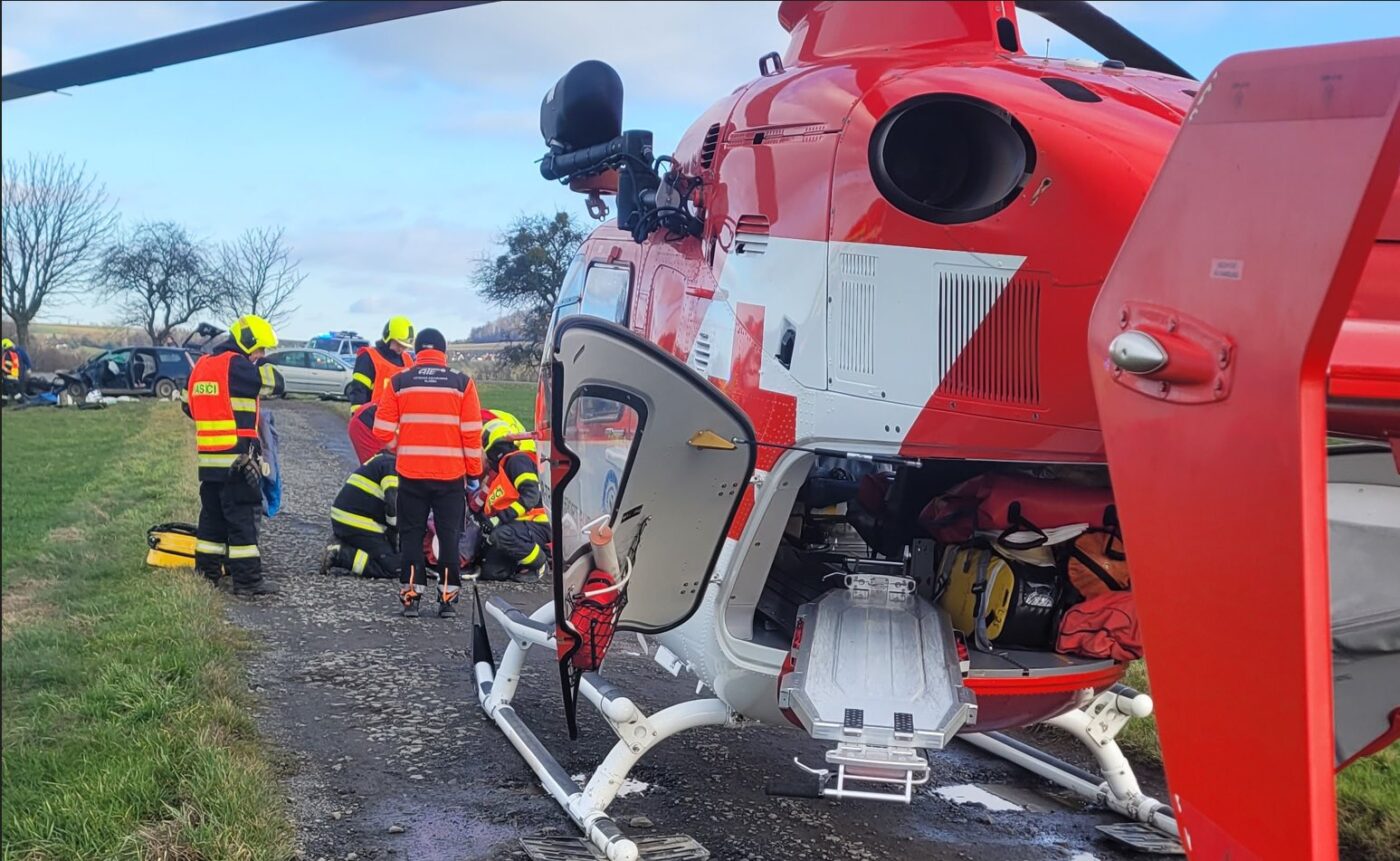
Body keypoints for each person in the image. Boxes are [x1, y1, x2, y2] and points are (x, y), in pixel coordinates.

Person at [372, 327, 483, 617]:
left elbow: (381, 430)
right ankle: (447, 602)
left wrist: (403, 446)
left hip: (411, 474)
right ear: (443, 353)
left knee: (410, 537)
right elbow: (471, 434)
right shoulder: (462, 384)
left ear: (416, 351)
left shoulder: (399, 382)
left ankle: (411, 599)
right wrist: (474, 474)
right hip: (450, 477)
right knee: (448, 538)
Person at [186, 315, 285, 596]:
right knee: (243, 522)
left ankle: (207, 574)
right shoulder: (238, 365)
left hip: (209, 461)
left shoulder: (202, 366)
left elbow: (187, 406)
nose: (261, 355)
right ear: (248, 342)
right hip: (238, 461)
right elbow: (276, 384)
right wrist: (260, 364)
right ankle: (248, 582)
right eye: (260, 349)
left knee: (212, 521)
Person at [477, 418, 550, 583]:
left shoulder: (517, 461)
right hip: (517, 527)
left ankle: (540, 562)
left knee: (501, 536)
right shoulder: (503, 470)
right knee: (492, 571)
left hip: (536, 524)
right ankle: (522, 560)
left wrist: (499, 519)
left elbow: (531, 496)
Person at [320, 451, 402, 579]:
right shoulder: (392, 466)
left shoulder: (385, 460)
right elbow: (393, 507)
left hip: (348, 517)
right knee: (393, 567)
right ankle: (340, 555)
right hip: (357, 521)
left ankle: (346, 543)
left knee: (394, 554)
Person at [347, 316, 415, 463]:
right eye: (398, 344)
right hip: (372, 426)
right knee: (377, 470)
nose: (401, 349)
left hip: (397, 432)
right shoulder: (369, 357)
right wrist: (360, 423)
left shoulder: (409, 361)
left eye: (405, 346)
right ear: (388, 337)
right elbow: (358, 391)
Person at [1, 337, 23, 404]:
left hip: (8, 376)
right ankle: (3, 402)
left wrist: (4, 372)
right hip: (14, 375)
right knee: (4, 390)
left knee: (13, 391)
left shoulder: (7, 354)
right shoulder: (14, 354)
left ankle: (21, 402)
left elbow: (7, 365)